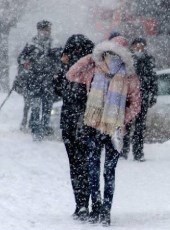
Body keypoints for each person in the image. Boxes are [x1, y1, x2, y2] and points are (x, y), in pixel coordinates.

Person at [66, 36, 141, 226]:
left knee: (100, 170)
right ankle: (101, 209)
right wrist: (90, 57)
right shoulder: (103, 70)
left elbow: (136, 104)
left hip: (104, 128)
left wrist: (119, 118)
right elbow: (71, 74)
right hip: (103, 128)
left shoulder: (119, 73)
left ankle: (101, 209)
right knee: (102, 171)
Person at [53, 34, 94, 221]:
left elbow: (55, 90)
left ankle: (81, 204)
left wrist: (62, 65)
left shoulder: (69, 71)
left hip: (71, 122)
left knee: (76, 166)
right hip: (88, 122)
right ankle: (92, 203)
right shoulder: (94, 69)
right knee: (88, 164)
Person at [17, 20, 58, 141]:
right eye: (44, 29)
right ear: (39, 30)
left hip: (48, 81)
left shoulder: (54, 44)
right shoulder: (31, 44)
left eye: (48, 30)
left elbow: (59, 61)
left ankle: (44, 127)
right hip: (34, 80)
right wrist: (27, 63)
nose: (46, 32)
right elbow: (21, 59)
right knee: (35, 106)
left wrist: (55, 69)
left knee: (47, 107)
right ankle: (35, 129)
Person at [121, 37, 158, 161]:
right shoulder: (127, 60)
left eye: (141, 46)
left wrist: (152, 95)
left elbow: (153, 79)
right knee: (126, 125)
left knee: (140, 127)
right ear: (132, 47)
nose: (139, 48)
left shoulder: (148, 60)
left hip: (143, 97)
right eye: (136, 46)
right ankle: (123, 151)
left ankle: (138, 152)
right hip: (129, 98)